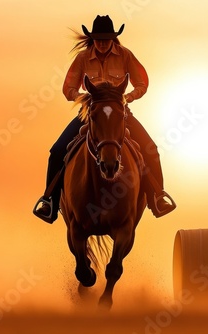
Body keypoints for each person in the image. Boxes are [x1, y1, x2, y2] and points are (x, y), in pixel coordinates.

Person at [33, 15, 176, 223]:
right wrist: (82, 98)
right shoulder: (83, 58)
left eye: (106, 39)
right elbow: (68, 87)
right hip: (91, 113)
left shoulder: (126, 55)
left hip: (120, 114)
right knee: (57, 151)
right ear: (92, 39)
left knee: (151, 148)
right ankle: (50, 202)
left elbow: (142, 82)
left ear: (113, 39)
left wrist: (127, 97)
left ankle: (157, 196)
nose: (102, 43)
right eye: (98, 39)